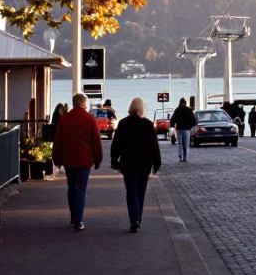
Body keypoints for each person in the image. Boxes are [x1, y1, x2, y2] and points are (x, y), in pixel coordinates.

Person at [52, 93, 102, 231]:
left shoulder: (64, 119)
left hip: (69, 159)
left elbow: (58, 140)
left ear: (73, 103)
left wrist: (56, 158)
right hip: (85, 160)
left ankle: (73, 215)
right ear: (84, 103)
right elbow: (96, 142)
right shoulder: (90, 119)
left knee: (71, 186)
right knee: (82, 188)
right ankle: (78, 220)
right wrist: (98, 160)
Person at [110, 97, 161, 232]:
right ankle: (138, 218)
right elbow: (154, 146)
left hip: (128, 163)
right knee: (141, 192)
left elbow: (116, 144)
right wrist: (157, 163)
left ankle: (134, 220)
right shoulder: (148, 124)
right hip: (144, 163)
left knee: (131, 191)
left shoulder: (123, 123)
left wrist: (114, 161)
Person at [169, 98, 197, 162]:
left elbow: (173, 119)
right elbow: (193, 120)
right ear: (185, 103)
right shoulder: (189, 110)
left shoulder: (177, 110)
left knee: (180, 143)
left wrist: (172, 126)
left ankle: (180, 156)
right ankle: (185, 157)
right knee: (186, 144)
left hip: (179, 129)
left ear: (180, 103)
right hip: (187, 130)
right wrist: (191, 127)